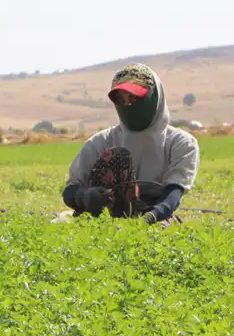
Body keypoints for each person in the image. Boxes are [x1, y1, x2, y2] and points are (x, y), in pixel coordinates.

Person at [62, 63, 199, 223]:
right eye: (120, 99)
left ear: (155, 98)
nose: (127, 105)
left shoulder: (181, 143)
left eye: (134, 98)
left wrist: (149, 218)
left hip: (156, 216)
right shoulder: (100, 142)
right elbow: (70, 190)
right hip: (102, 218)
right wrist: (84, 197)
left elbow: (174, 192)